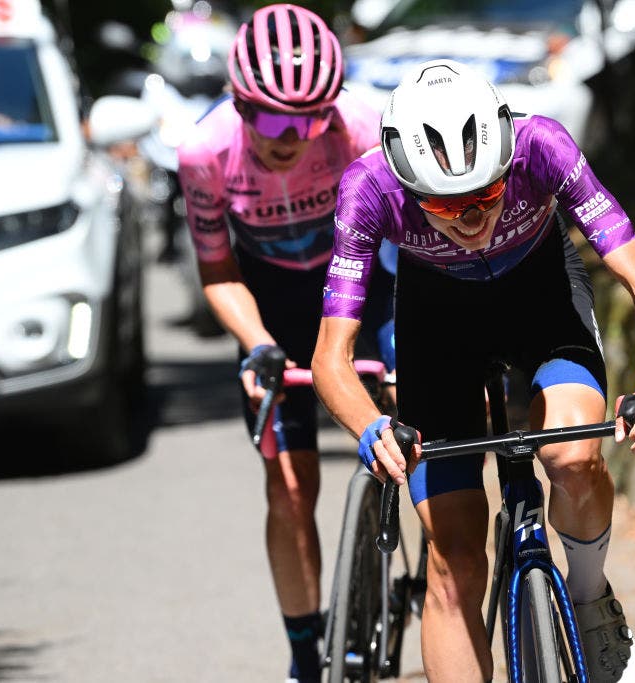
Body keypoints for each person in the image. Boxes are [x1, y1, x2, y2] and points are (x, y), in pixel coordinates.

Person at [312, 59, 635, 682]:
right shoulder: (368, 187)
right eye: (443, 205)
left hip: (543, 303)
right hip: (438, 324)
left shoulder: (542, 146)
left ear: (506, 160)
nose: (470, 218)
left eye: (485, 195)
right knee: (452, 563)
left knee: (573, 460)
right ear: (406, 186)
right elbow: (331, 355)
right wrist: (371, 427)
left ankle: (591, 598)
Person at [176, 5, 395, 682]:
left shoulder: (356, 128)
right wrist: (257, 343)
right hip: (270, 307)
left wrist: (403, 346)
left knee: (425, 445)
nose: (292, 137)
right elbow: (218, 269)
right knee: (291, 487)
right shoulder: (204, 153)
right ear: (240, 105)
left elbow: (404, 244)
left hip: (364, 292)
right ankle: (306, 653)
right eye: (273, 119)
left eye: (309, 119)